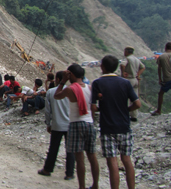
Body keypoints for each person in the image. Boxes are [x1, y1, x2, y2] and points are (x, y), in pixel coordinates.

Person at [92, 55, 141, 189]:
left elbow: (93, 107)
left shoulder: (97, 83)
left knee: (112, 161)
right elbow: (137, 103)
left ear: (102, 67)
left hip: (107, 127)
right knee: (126, 159)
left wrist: (101, 106)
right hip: (124, 126)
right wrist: (126, 110)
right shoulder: (125, 82)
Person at [54, 64, 99, 189]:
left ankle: (82, 186)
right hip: (89, 123)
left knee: (80, 158)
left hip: (76, 123)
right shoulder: (90, 88)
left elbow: (56, 95)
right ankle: (96, 184)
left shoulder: (70, 89)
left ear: (71, 75)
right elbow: (94, 108)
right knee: (92, 156)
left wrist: (63, 81)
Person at [38, 71, 75, 180]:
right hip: (70, 124)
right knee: (70, 149)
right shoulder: (71, 91)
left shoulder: (51, 92)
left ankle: (47, 169)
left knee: (53, 148)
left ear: (58, 79)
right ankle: (70, 173)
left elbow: (48, 111)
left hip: (57, 124)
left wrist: (48, 123)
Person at [120, 46, 145, 122]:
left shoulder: (127, 58)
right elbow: (143, 67)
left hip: (128, 79)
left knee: (125, 96)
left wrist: (123, 73)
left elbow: (122, 65)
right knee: (134, 97)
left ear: (127, 51)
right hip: (135, 79)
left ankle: (124, 113)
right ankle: (134, 116)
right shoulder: (136, 59)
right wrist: (138, 75)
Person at [154, 42, 171, 116]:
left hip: (167, 79)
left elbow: (159, 68)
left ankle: (159, 110)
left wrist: (160, 79)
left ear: (165, 47)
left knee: (161, 94)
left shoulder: (161, 56)